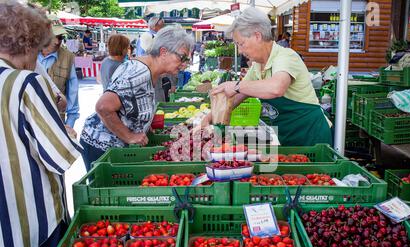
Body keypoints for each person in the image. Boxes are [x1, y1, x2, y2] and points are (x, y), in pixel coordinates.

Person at [0, 1, 82, 247]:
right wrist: (68, 131)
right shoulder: (24, 82)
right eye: (37, 48)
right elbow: (60, 157)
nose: (37, 57)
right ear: (26, 42)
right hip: (32, 225)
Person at [209, 7, 332, 146]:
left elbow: (276, 88)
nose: (241, 51)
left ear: (257, 36)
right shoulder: (257, 66)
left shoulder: (286, 56)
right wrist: (208, 118)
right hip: (288, 138)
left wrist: (236, 86)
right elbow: (236, 97)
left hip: (312, 137)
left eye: (241, 44)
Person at [80, 25, 194, 171]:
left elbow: (131, 101)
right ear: (163, 52)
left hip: (114, 147)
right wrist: (128, 136)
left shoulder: (148, 69)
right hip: (102, 146)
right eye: (182, 57)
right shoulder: (139, 73)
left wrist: (143, 123)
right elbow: (103, 106)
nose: (185, 64)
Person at [38, 30, 80, 128]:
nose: (57, 42)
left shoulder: (67, 57)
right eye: (53, 37)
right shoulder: (27, 54)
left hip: (56, 122)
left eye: (60, 37)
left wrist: (69, 125)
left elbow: (73, 94)